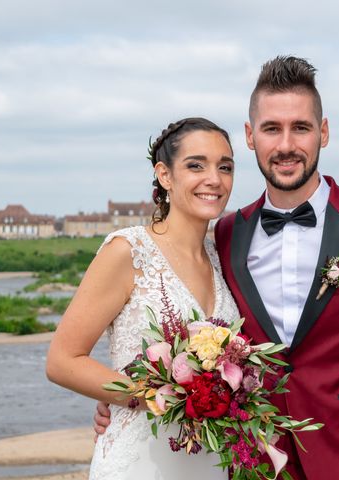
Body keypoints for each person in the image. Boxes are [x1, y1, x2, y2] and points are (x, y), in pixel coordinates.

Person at [95, 56, 339, 479]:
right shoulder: (225, 236)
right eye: (271, 129)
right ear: (250, 136)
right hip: (254, 459)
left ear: (324, 132)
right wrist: (132, 394)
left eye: (300, 127)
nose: (285, 145)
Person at [46, 117, 239, 480]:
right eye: (196, 165)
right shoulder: (128, 250)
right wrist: (153, 395)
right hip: (140, 462)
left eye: (225, 167)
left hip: (208, 461)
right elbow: (62, 360)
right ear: (165, 175)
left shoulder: (220, 258)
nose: (214, 178)